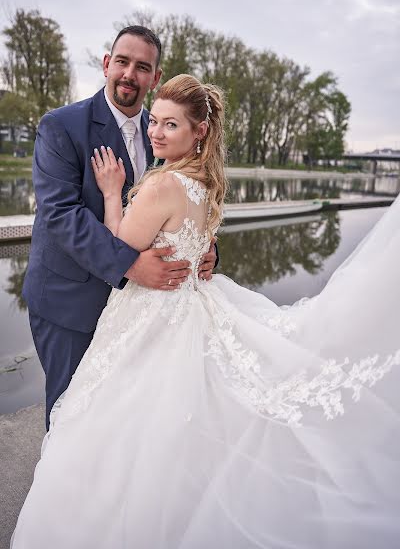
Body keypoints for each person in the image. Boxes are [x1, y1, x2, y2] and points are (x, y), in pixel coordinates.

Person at [12, 74, 400, 548]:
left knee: (120, 429)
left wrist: (112, 192)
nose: (155, 132)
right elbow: (195, 245)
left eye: (169, 125)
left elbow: (118, 245)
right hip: (185, 306)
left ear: (198, 132)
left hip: (148, 316)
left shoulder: (159, 186)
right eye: (154, 121)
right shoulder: (203, 186)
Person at [22, 26, 217, 430]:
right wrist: (130, 263)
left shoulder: (163, 128)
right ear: (107, 64)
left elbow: (187, 197)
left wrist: (206, 248)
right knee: (71, 419)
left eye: (142, 67)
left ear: (155, 77)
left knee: (124, 427)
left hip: (143, 313)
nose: (130, 74)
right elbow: (60, 215)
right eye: (123, 62)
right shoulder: (60, 126)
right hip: (70, 305)